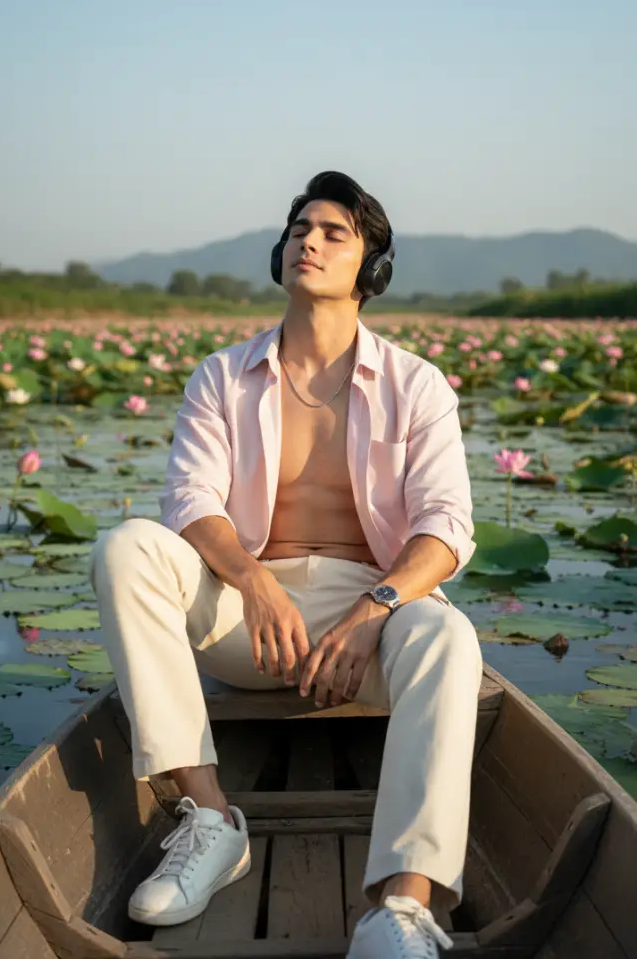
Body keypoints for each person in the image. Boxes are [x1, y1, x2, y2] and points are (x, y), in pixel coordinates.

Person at [90, 170, 482, 959]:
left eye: (335, 232)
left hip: (368, 608)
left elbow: (446, 529)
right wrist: (254, 580)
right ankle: (209, 820)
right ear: (281, 252)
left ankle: (401, 908)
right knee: (126, 547)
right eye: (302, 227)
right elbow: (191, 499)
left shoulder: (417, 385)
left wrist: (374, 610)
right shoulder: (222, 376)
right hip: (249, 614)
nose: (311, 239)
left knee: (449, 639)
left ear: (372, 268)